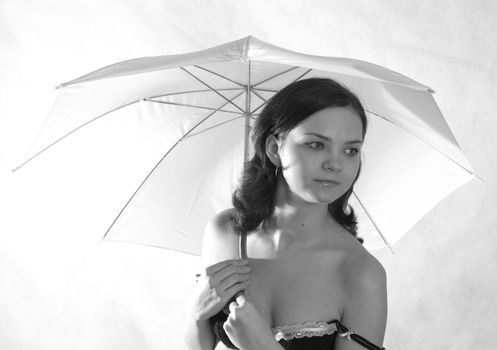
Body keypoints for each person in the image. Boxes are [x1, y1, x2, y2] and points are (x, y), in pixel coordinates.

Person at [183, 78, 387, 350]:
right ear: (274, 149)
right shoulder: (226, 232)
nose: (335, 164)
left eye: (350, 150)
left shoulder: (360, 273)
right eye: (316, 144)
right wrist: (195, 317)